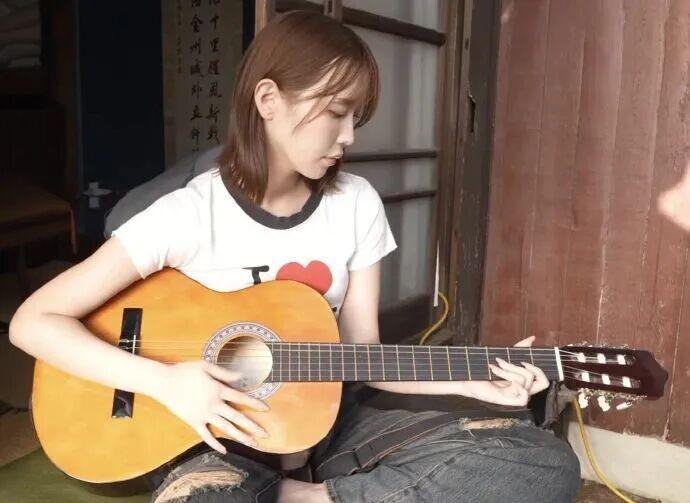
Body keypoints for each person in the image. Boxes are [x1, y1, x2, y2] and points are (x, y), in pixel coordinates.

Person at [9, 10, 580, 503]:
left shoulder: (355, 204)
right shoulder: (188, 214)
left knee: (542, 464)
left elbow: (363, 356)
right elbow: (33, 322)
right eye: (336, 112)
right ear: (268, 100)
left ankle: (305, 496)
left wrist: (476, 381)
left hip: (328, 426)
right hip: (208, 441)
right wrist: (164, 383)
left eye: (357, 117)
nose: (349, 136)